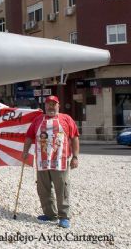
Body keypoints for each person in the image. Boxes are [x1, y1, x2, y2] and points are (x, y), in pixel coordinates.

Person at [23, 96, 80, 229]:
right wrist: (25, 152)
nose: (51, 107)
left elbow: (75, 137)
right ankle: (50, 214)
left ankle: (64, 216)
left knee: (62, 189)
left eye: (54, 104)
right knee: (43, 189)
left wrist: (75, 157)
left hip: (60, 161)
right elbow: (29, 136)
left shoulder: (66, 119)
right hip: (42, 162)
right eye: (48, 104)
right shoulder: (38, 120)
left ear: (58, 106)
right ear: (45, 106)